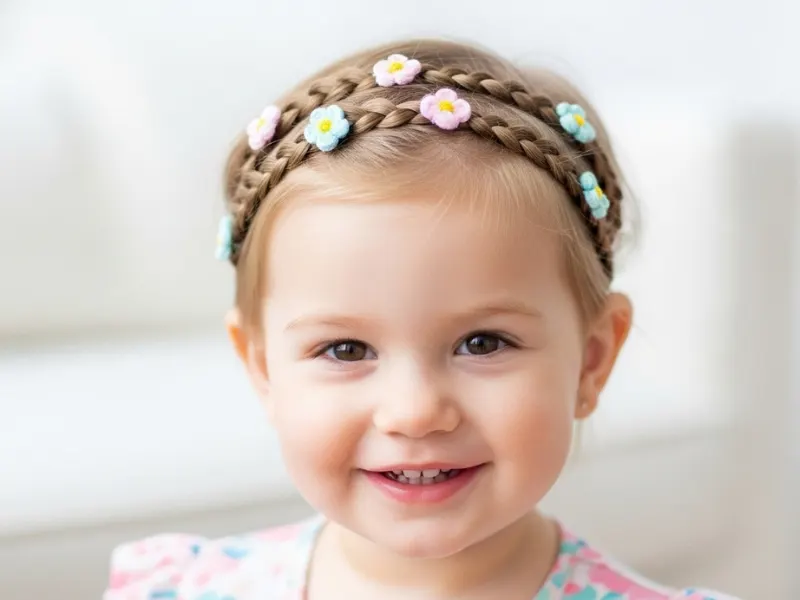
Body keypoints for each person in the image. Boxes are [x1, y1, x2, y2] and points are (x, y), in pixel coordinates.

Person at [104, 39, 739, 600]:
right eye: (346, 349)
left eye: (482, 343)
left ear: (592, 360)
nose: (414, 412)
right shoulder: (181, 589)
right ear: (263, 368)